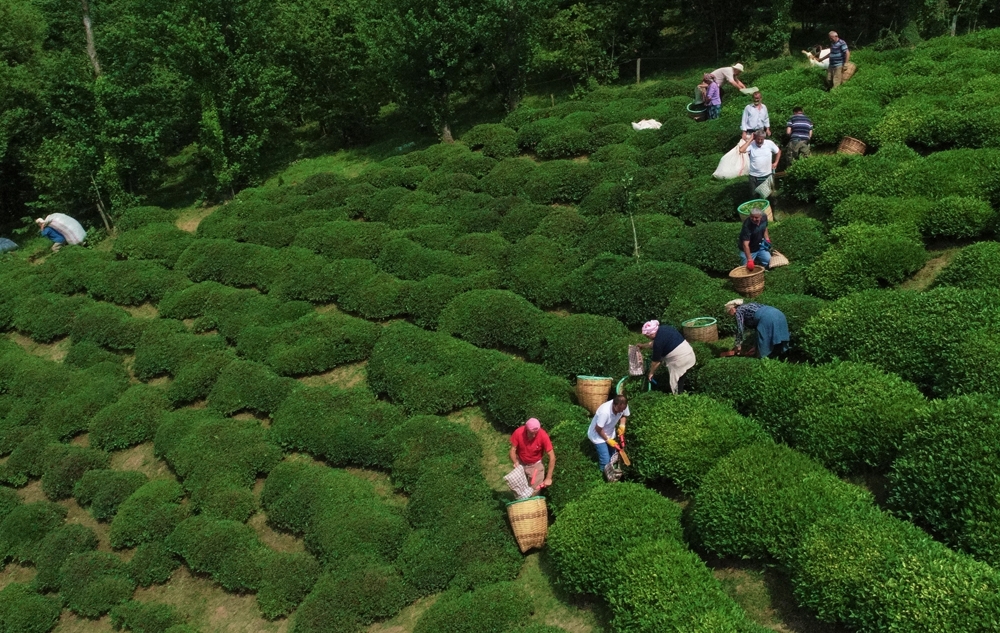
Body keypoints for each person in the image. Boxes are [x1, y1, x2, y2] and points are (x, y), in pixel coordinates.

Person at [636, 320, 696, 394]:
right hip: (689, 353)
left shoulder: (658, 343)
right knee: (681, 378)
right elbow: (656, 343)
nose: (647, 338)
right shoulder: (664, 328)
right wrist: (643, 346)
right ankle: (684, 392)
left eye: (647, 336)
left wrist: (651, 373)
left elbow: (656, 362)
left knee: (676, 383)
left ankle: (679, 399)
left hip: (680, 360)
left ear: (651, 334)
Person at [724, 299, 790, 359]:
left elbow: (740, 329)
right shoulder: (749, 305)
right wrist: (755, 347)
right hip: (779, 314)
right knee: (777, 335)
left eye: (728, 312)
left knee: (764, 341)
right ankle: (778, 356)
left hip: (767, 318)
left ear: (732, 309)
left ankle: (764, 359)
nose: (730, 315)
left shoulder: (738, 311)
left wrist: (738, 345)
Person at [509, 418, 555, 493]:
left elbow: (552, 457)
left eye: (536, 433)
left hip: (535, 465)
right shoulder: (518, 432)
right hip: (521, 463)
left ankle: (532, 502)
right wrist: (515, 462)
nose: (534, 435)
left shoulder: (543, 435)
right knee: (518, 489)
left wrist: (549, 478)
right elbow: (512, 450)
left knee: (534, 490)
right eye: (531, 433)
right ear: (526, 429)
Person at [587, 394, 629, 474]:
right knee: (605, 460)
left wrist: (622, 425)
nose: (621, 411)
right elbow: (598, 428)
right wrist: (607, 440)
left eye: (623, 409)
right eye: (619, 409)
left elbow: (624, 415)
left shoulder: (623, 405)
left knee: (613, 457)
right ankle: (604, 478)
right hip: (598, 435)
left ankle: (613, 474)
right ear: (614, 404)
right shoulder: (605, 412)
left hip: (610, 432)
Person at [739, 130, 781, 198]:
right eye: (758, 139)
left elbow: (778, 151)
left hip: (767, 175)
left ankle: (770, 208)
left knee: (770, 196)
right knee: (754, 196)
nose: (759, 141)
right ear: (755, 138)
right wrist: (750, 139)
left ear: (764, 138)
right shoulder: (751, 144)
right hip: (753, 176)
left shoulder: (769, 143)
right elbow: (741, 150)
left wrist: (776, 162)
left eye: (761, 139)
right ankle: (756, 208)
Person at [736, 204, 771, 270]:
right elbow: (745, 244)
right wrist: (749, 260)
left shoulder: (764, 217)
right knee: (746, 268)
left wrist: (767, 239)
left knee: (769, 261)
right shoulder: (747, 226)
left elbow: (765, 228)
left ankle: (761, 267)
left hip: (759, 247)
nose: (753, 219)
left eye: (756, 217)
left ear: (761, 216)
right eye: (752, 217)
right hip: (749, 250)